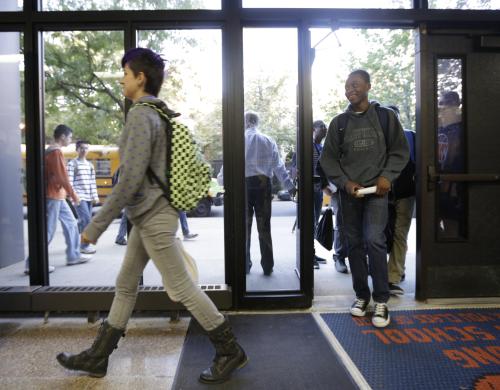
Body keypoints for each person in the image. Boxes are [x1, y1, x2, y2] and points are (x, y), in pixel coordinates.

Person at [56, 48, 247, 384]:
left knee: (182, 287)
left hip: (154, 217)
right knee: (126, 285)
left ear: (140, 78)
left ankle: (230, 349)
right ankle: (98, 357)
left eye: (125, 73)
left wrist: (95, 226)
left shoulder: (142, 116)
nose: (121, 79)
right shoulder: (157, 115)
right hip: (148, 215)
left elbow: (129, 179)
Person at [320, 69, 409, 328]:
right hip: (351, 195)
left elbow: (400, 151)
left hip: (377, 193)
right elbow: (328, 160)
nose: (351, 89)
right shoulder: (339, 123)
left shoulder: (385, 117)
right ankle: (362, 296)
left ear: (369, 86)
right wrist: (345, 183)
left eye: (356, 84)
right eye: (347, 85)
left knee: (374, 241)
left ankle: (381, 300)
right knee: (354, 245)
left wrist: (387, 177)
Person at [24, 125, 92, 275]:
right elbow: (62, 176)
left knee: (72, 223)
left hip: (57, 196)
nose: (70, 140)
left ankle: (73, 256)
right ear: (62, 137)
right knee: (48, 230)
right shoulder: (55, 152)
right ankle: (32, 264)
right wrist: (74, 196)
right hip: (53, 195)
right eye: (69, 137)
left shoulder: (49, 151)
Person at [244, 111, 296, 275]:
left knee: (244, 227)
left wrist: (222, 182)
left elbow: (229, 164)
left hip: (243, 186)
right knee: (264, 227)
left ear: (245, 122)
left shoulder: (239, 140)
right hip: (263, 185)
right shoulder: (268, 140)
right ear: (256, 122)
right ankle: (267, 265)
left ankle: (244, 264)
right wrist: (290, 186)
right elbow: (278, 166)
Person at [386, 105, 416, 296]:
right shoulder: (378, 138)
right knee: (381, 234)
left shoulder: (412, 136)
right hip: (382, 194)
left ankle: (393, 276)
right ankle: (388, 271)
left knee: (400, 233)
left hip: (405, 193)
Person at [437, 91, 465, 238]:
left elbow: (460, 158)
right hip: (436, 183)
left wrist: (450, 183)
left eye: (446, 105)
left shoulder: (462, 129)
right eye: (441, 104)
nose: (442, 109)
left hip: (453, 187)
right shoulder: (438, 129)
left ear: (456, 106)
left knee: (451, 227)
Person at [67, 139, 99, 254]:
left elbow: (92, 182)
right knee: (87, 221)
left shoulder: (90, 165)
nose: (84, 150)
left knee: (82, 222)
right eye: (82, 148)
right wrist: (73, 198)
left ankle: (74, 242)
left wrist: (95, 197)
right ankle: (84, 246)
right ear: (77, 150)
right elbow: (69, 183)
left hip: (89, 197)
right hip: (79, 197)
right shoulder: (72, 164)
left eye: (86, 148)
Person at [312, 120, 327, 269]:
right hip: (309, 190)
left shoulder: (321, 147)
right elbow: (296, 167)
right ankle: (308, 255)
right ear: (313, 129)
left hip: (319, 191)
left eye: (325, 127)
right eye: (321, 127)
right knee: (309, 223)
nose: (324, 129)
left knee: (315, 223)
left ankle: (312, 252)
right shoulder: (306, 146)